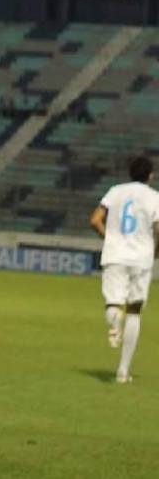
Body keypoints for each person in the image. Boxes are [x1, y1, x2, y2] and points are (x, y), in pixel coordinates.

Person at [89, 155, 159, 383]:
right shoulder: (154, 197)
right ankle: (122, 371)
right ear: (150, 175)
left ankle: (114, 323)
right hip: (141, 258)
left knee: (113, 303)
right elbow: (158, 228)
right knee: (134, 311)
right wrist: (156, 250)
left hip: (115, 255)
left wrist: (110, 238)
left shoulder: (115, 191)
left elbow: (95, 220)